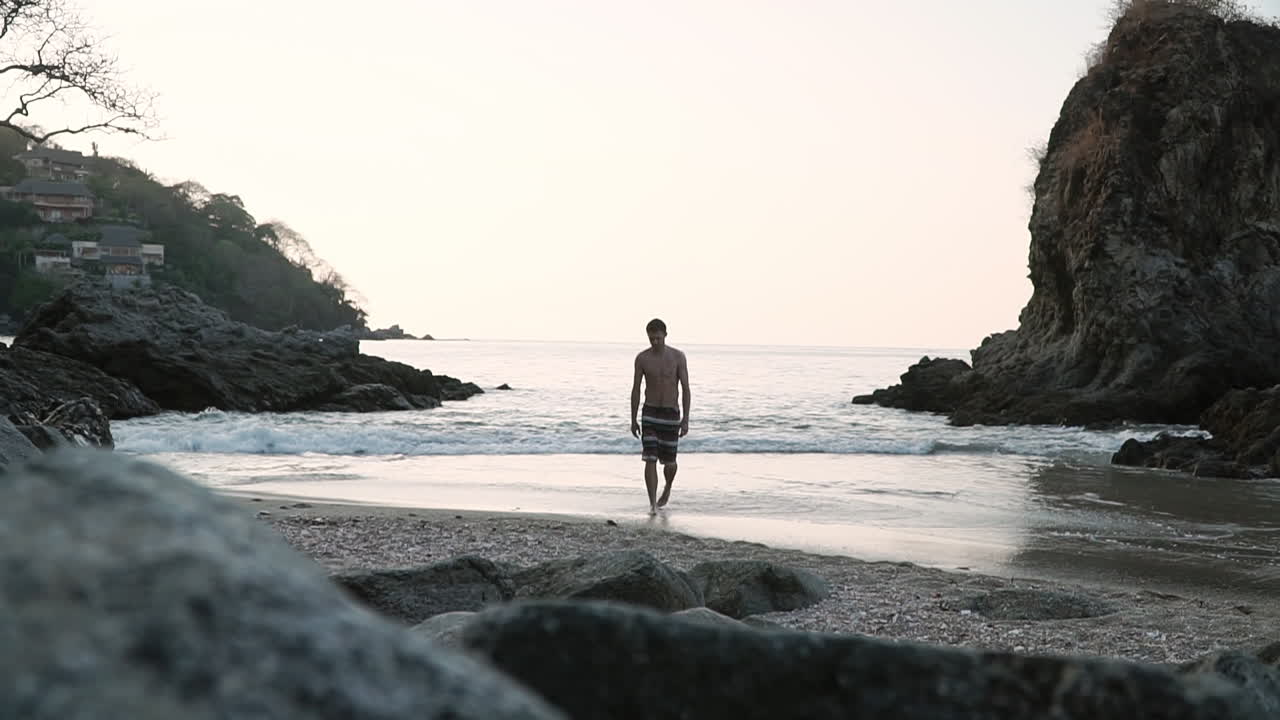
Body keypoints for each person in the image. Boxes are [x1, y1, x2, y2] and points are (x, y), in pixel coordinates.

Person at [630, 318, 690, 515]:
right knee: (650, 458)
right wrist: (633, 419)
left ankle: (667, 488)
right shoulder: (642, 359)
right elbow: (636, 390)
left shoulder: (678, 357)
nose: (655, 342)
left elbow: (686, 388)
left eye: (658, 338)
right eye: (651, 339)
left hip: (671, 413)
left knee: (670, 462)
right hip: (650, 412)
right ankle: (652, 504)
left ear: (665, 334)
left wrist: (686, 419)